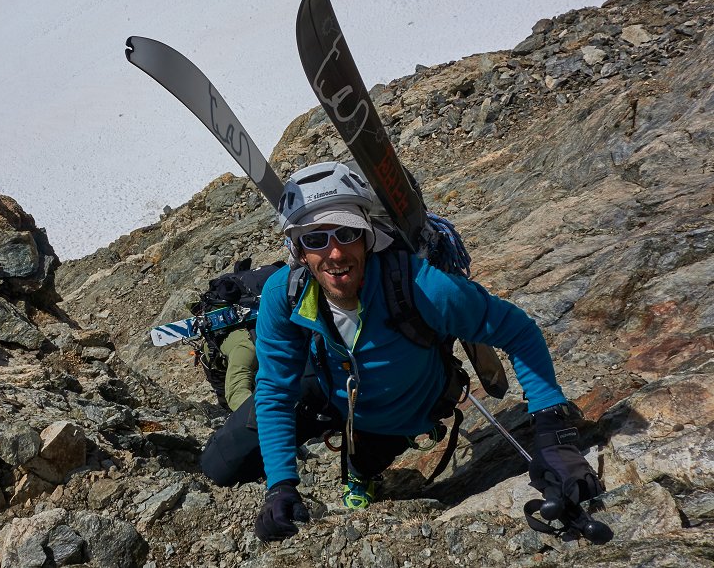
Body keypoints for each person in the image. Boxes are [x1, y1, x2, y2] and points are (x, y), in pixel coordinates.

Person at [238, 161, 602, 542]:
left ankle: (362, 469)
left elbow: (518, 331)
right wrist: (280, 484)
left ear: (368, 236)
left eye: (346, 233)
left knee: (368, 452)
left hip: (401, 404)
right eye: (315, 240)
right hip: (330, 379)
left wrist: (553, 430)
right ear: (298, 250)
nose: (335, 253)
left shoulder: (420, 287)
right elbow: (275, 391)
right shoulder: (284, 295)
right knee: (221, 463)